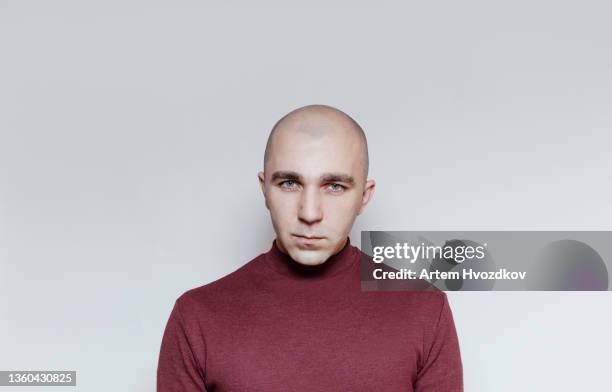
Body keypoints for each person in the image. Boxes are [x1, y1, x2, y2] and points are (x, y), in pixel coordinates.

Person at [157, 104, 463, 391]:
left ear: (364, 196)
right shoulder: (197, 316)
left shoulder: (424, 309)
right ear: (264, 189)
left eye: (334, 187)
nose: (310, 213)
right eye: (290, 183)